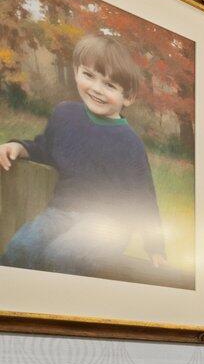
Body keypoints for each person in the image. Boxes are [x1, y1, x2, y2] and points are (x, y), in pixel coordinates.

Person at [0, 35, 165, 281]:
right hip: (61, 212)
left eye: (110, 85)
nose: (97, 89)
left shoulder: (130, 143)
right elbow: (46, 147)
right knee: (22, 246)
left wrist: (155, 247)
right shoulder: (65, 114)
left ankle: (54, 311)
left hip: (110, 222)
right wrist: (19, 147)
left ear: (127, 97)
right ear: (76, 71)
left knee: (62, 255)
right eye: (89, 75)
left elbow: (144, 197)